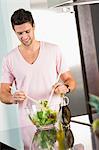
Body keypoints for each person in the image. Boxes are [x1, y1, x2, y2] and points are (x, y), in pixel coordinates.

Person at [0, 8, 76, 149]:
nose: (24, 36)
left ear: (34, 26)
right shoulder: (9, 59)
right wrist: (12, 98)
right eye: (20, 33)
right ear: (14, 31)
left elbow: (70, 80)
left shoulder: (54, 50)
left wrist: (65, 87)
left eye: (27, 31)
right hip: (29, 124)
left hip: (56, 119)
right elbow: (3, 93)